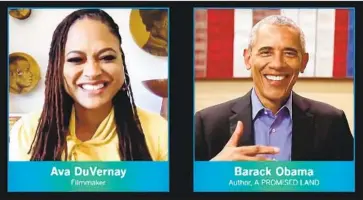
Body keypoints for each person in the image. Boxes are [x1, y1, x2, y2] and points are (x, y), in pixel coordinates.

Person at [9, 9, 168, 161]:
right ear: (57, 68)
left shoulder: (159, 132)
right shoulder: (27, 132)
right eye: (75, 59)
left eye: (106, 57)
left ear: (122, 62)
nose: (92, 72)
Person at [195, 15, 353, 161]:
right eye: (266, 52)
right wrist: (213, 171)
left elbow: (351, 184)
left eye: (289, 53)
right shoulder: (207, 124)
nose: (277, 64)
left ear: (304, 62)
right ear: (248, 58)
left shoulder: (332, 122)